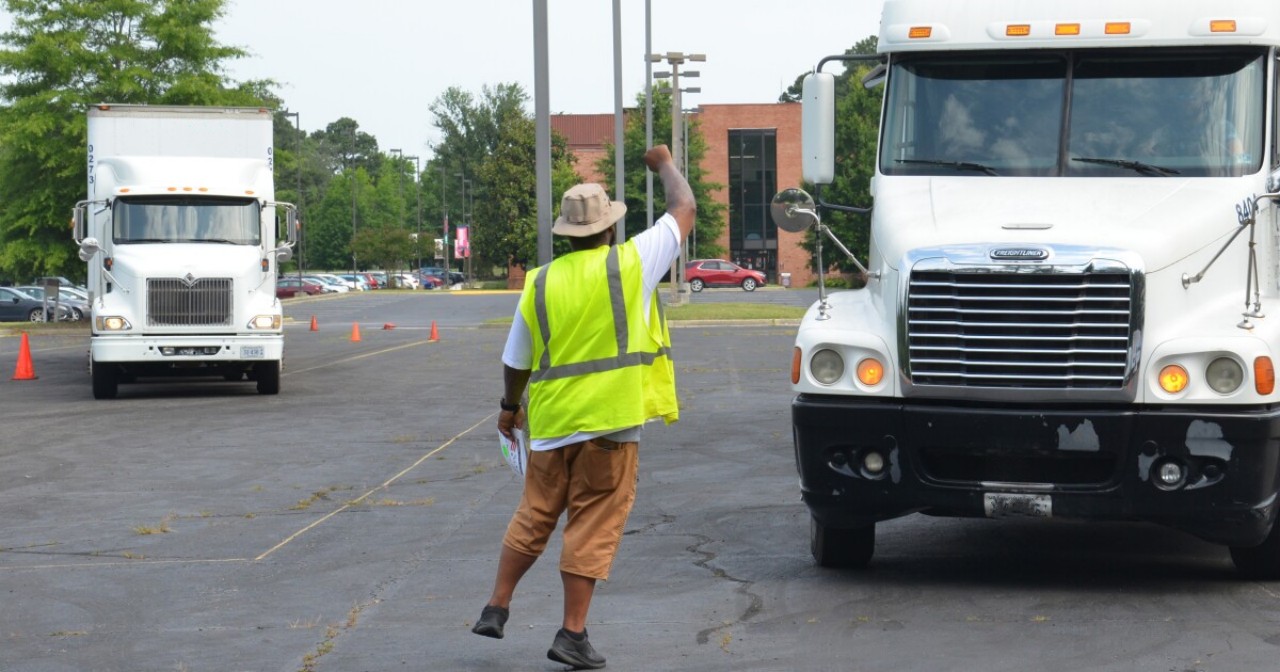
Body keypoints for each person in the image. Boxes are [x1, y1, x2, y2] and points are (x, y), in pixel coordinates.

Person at [472, 144, 696, 670]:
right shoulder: (633, 261)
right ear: (610, 229)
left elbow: (516, 360)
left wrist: (510, 408)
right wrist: (663, 162)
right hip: (611, 424)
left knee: (534, 515)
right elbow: (683, 207)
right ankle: (572, 634)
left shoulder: (541, 281)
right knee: (592, 523)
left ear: (566, 235)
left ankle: (496, 606)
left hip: (551, 426)